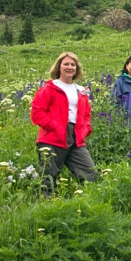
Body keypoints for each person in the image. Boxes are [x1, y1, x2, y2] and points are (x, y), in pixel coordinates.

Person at [30, 52, 97, 195]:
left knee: (90, 174)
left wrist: (85, 129)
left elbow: (86, 115)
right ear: (59, 67)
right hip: (52, 138)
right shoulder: (49, 88)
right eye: (66, 64)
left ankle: (87, 205)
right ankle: (44, 208)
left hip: (76, 138)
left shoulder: (81, 91)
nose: (69, 67)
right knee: (47, 177)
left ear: (77, 69)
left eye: (73, 65)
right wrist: (55, 126)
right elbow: (37, 113)